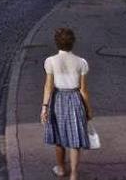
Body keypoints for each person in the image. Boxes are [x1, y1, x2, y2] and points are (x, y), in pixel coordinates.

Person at [41, 27, 92, 180]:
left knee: (59, 137)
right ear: (73, 43)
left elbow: (48, 87)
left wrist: (44, 107)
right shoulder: (81, 62)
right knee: (75, 139)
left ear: (56, 43)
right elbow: (83, 90)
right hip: (75, 99)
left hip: (58, 100)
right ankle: (74, 174)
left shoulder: (50, 61)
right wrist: (89, 109)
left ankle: (61, 168)